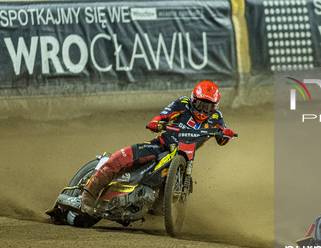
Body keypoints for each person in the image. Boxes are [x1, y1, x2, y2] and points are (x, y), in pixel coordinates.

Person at [80, 81, 236, 214]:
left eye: (207, 107)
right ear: (193, 99)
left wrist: (226, 134)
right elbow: (164, 115)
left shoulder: (217, 118)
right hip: (161, 146)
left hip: (183, 157)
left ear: (214, 107)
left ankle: (152, 205)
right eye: (200, 105)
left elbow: (221, 139)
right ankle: (89, 194)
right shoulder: (183, 104)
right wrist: (156, 122)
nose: (203, 110)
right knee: (123, 156)